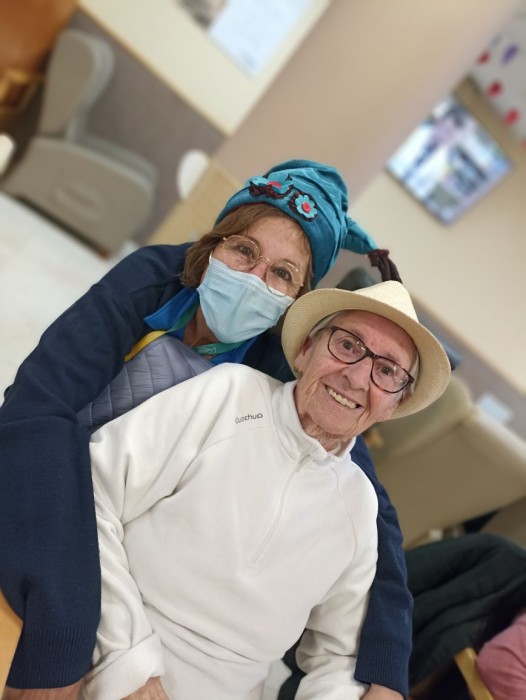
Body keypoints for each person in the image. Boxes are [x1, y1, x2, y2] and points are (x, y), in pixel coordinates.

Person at [0, 160, 407, 699]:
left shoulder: (282, 359)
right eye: (244, 250)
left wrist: (387, 669)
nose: (254, 279)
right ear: (214, 244)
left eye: (283, 274)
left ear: (297, 303)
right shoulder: (152, 282)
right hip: (60, 480)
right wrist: (66, 628)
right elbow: (37, 411)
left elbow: (370, 505)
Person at [78, 281, 451, 699]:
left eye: (386, 371)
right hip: (102, 650)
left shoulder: (360, 505)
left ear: (393, 405)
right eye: (348, 345)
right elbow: (92, 497)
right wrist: (129, 665)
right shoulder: (227, 393)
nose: (357, 376)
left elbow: (339, 657)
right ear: (305, 349)